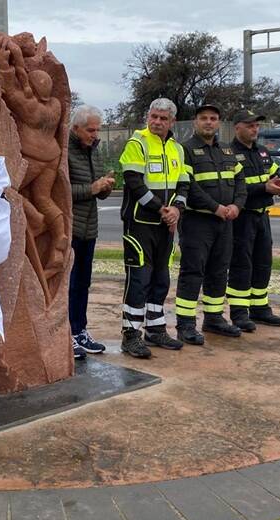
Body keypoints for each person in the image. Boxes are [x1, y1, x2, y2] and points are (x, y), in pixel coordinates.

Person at [173, 104, 247, 345]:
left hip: (225, 222)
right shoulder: (185, 150)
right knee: (193, 272)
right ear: (195, 122)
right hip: (198, 221)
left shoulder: (227, 151)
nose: (208, 122)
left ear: (218, 123)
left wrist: (237, 205)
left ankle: (214, 318)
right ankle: (185, 324)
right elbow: (189, 186)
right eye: (203, 118)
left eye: (213, 118)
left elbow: (240, 181)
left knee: (219, 269)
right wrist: (215, 208)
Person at [117, 98, 186, 358]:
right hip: (140, 225)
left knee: (161, 279)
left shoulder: (177, 149)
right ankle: (131, 335)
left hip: (165, 227)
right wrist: (162, 209)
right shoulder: (137, 143)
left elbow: (184, 184)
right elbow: (135, 183)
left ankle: (155, 330)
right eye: (153, 116)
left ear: (172, 121)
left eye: (162, 118)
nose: (156, 122)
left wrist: (177, 209)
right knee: (139, 280)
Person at [226, 109, 280, 331]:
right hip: (242, 218)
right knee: (241, 265)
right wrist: (265, 188)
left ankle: (260, 309)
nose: (255, 129)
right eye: (250, 125)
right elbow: (233, 188)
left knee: (263, 263)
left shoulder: (262, 152)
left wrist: (277, 183)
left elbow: (272, 174)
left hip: (262, 216)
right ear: (238, 127)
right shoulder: (229, 153)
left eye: (257, 125)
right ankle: (239, 313)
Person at [67, 104, 113, 359]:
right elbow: (58, 190)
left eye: (97, 130)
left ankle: (79, 331)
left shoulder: (92, 151)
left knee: (83, 283)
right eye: (90, 130)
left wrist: (104, 186)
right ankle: (65, 334)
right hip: (70, 227)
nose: (95, 135)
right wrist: (91, 189)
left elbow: (95, 190)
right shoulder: (64, 152)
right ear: (75, 129)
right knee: (68, 284)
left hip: (89, 228)